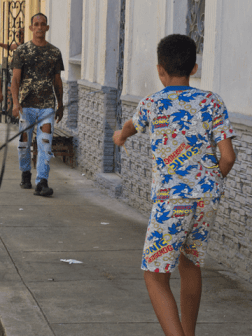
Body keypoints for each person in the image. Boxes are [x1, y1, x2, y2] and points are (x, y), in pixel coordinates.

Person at [113, 34, 236, 336]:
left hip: (172, 201)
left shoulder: (152, 103)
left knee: (154, 275)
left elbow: (130, 126)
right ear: (194, 68)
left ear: (160, 70)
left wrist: (121, 136)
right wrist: (208, 183)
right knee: (190, 264)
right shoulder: (212, 101)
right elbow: (229, 157)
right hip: (207, 198)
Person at [11, 13, 64, 197]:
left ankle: (42, 181)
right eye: (36, 24)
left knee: (45, 143)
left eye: (43, 24)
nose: (40, 27)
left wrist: (61, 104)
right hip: (26, 106)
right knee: (24, 144)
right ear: (31, 28)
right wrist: (16, 103)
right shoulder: (22, 51)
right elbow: (15, 80)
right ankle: (26, 173)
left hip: (47, 105)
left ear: (47, 28)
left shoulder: (55, 53)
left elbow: (57, 81)